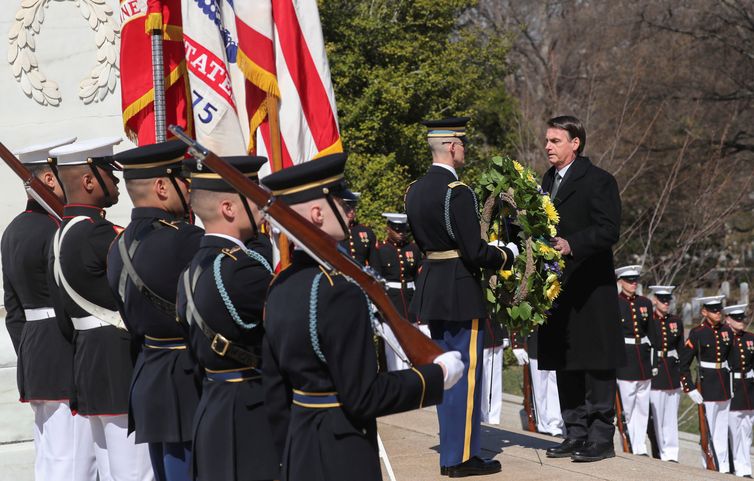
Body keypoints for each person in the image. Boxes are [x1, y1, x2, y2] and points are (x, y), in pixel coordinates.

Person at [261, 153, 462, 481]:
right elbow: (364, 396)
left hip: (299, 449)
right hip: (342, 454)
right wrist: (435, 376)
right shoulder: (338, 290)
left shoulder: (279, 283)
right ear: (316, 214)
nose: (348, 211)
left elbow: (274, 389)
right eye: (339, 202)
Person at [405, 117, 517, 477]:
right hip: (459, 289)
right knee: (465, 375)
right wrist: (507, 254)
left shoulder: (415, 190)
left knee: (446, 374)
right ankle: (460, 458)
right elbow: (473, 251)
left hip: (432, 288)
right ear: (452, 146)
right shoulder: (458, 192)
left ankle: (455, 451)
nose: (464, 150)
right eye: (463, 144)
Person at [48, 137, 153, 481]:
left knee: (111, 470)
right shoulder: (98, 235)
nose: (117, 180)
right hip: (118, 362)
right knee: (135, 470)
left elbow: (64, 319)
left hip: (90, 363)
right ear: (89, 181)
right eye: (110, 173)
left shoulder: (62, 233)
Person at [175, 156, 279, 481]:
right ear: (229, 209)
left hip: (213, 405)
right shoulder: (242, 270)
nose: (263, 201)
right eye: (253, 194)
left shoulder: (193, 267)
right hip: (249, 412)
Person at [106, 141, 203, 481]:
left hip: (147, 374)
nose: (190, 188)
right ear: (163, 186)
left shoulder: (117, 244)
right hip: (187, 378)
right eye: (183, 179)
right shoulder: (186, 239)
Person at [2, 137, 91, 480]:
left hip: (36, 353)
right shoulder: (56, 231)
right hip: (62, 351)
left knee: (51, 454)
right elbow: (66, 298)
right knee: (71, 458)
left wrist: (29, 347)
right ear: (49, 180)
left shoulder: (13, 231)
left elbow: (13, 309)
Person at [537, 115, 624, 462]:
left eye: (555, 141)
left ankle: (601, 438)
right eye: (546, 141)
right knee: (566, 359)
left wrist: (571, 244)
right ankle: (574, 433)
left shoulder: (599, 181)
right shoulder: (546, 180)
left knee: (596, 364)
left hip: (591, 287)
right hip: (559, 289)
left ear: (576, 143)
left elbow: (608, 230)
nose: (547, 147)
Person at [679, 295, 732, 473]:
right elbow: (684, 363)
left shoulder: (727, 330)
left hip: (724, 385)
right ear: (704, 312)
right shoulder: (698, 333)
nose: (718, 313)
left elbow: (731, 361)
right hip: (707, 386)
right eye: (713, 310)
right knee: (707, 431)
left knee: (722, 430)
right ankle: (708, 466)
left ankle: (723, 466)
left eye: (719, 310)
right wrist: (689, 388)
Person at [369, 212, 425, 371]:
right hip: (391, 303)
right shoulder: (380, 250)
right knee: (392, 348)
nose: (401, 234)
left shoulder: (413, 249)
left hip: (409, 302)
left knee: (412, 346)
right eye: (397, 231)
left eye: (404, 231)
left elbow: (418, 277)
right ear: (388, 229)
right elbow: (376, 280)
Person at [615, 265, 653, 456]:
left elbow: (652, 334)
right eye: (629, 280)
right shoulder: (615, 303)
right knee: (628, 407)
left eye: (635, 280)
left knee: (642, 407)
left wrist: (654, 363)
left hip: (643, 359)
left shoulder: (645, 303)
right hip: (625, 359)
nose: (633, 283)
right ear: (621, 282)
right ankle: (628, 442)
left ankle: (640, 445)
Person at [646, 285, 683, 462]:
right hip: (657, 372)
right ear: (655, 300)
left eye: (668, 300)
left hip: (672, 372)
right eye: (662, 300)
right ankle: (659, 452)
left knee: (670, 418)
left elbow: (681, 349)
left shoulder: (675, 320)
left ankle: (671, 454)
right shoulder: (649, 321)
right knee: (657, 418)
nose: (666, 303)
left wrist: (682, 375)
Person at [511, 329, 564, 436]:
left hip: (559, 342)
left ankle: (556, 423)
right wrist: (518, 343)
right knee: (540, 388)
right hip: (537, 341)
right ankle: (544, 425)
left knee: (556, 386)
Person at [724, 303, 754, 478]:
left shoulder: (750, 338)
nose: (740, 321)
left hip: (748, 389)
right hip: (732, 387)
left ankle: (745, 467)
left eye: (742, 317)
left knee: (747, 432)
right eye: (736, 318)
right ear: (728, 320)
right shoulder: (725, 338)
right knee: (733, 431)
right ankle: (734, 465)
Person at [340, 191, 376, 265]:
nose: (352, 211)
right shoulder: (332, 231)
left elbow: (375, 265)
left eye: (353, 207)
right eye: (347, 208)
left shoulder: (366, 232)